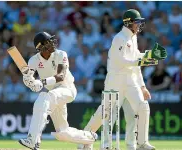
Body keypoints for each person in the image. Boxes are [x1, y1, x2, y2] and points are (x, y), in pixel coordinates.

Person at [78, 9, 167, 150]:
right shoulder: (119, 38)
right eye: (137, 22)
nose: (139, 25)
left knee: (143, 107)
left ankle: (142, 143)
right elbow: (120, 60)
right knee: (106, 113)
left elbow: (136, 58)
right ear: (128, 23)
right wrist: (141, 61)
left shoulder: (133, 37)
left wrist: (148, 57)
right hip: (115, 80)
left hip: (131, 81)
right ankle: (88, 141)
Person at [18, 32, 97, 150]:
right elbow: (31, 81)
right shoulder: (33, 61)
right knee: (62, 133)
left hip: (67, 89)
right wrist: (30, 82)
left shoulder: (61, 54)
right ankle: (89, 137)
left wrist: (42, 82)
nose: (53, 44)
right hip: (53, 94)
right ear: (41, 47)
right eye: (49, 42)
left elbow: (60, 76)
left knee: (44, 97)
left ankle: (33, 139)